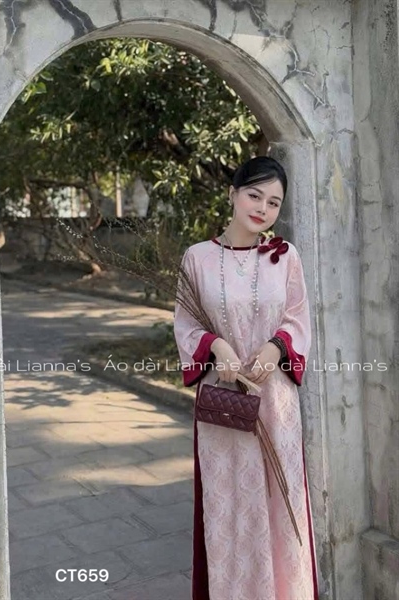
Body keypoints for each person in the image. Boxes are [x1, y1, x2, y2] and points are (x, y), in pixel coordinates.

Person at [173, 156, 319, 600]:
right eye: (254, 195)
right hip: (224, 400)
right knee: (230, 503)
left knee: (280, 499)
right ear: (232, 194)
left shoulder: (285, 257)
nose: (262, 208)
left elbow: (298, 317)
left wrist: (275, 349)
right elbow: (185, 324)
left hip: (275, 401)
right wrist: (218, 347)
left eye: (273, 202)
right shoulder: (197, 258)